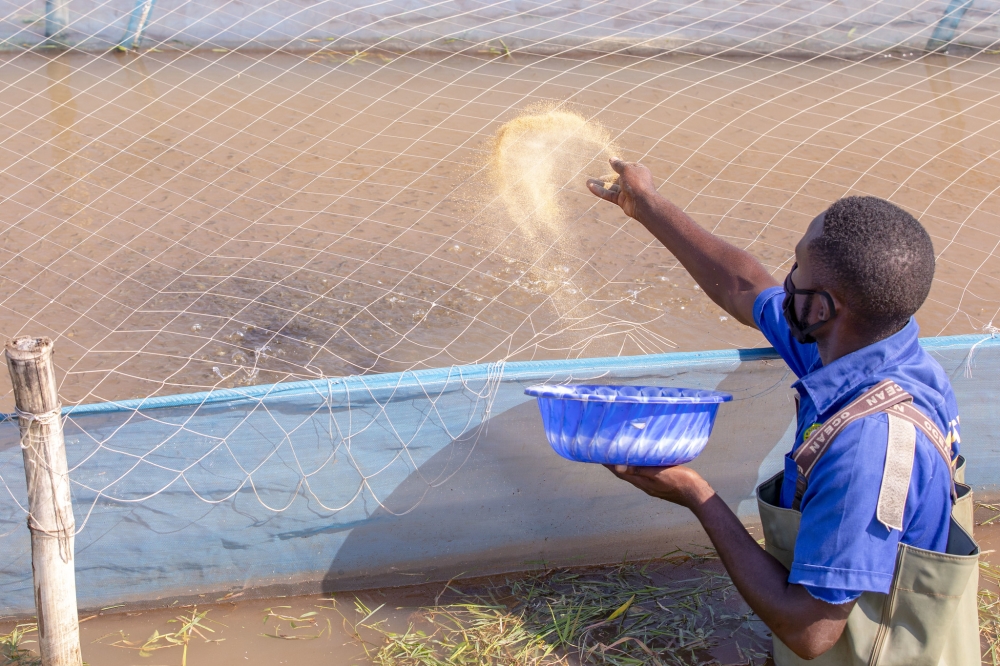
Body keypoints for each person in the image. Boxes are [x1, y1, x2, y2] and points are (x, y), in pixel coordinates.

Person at [586, 158, 980, 664]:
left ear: (821, 309)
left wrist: (695, 493)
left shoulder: (868, 447)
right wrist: (645, 205)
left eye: (796, 268)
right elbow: (745, 286)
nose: (785, 280)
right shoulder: (875, 350)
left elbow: (810, 633)